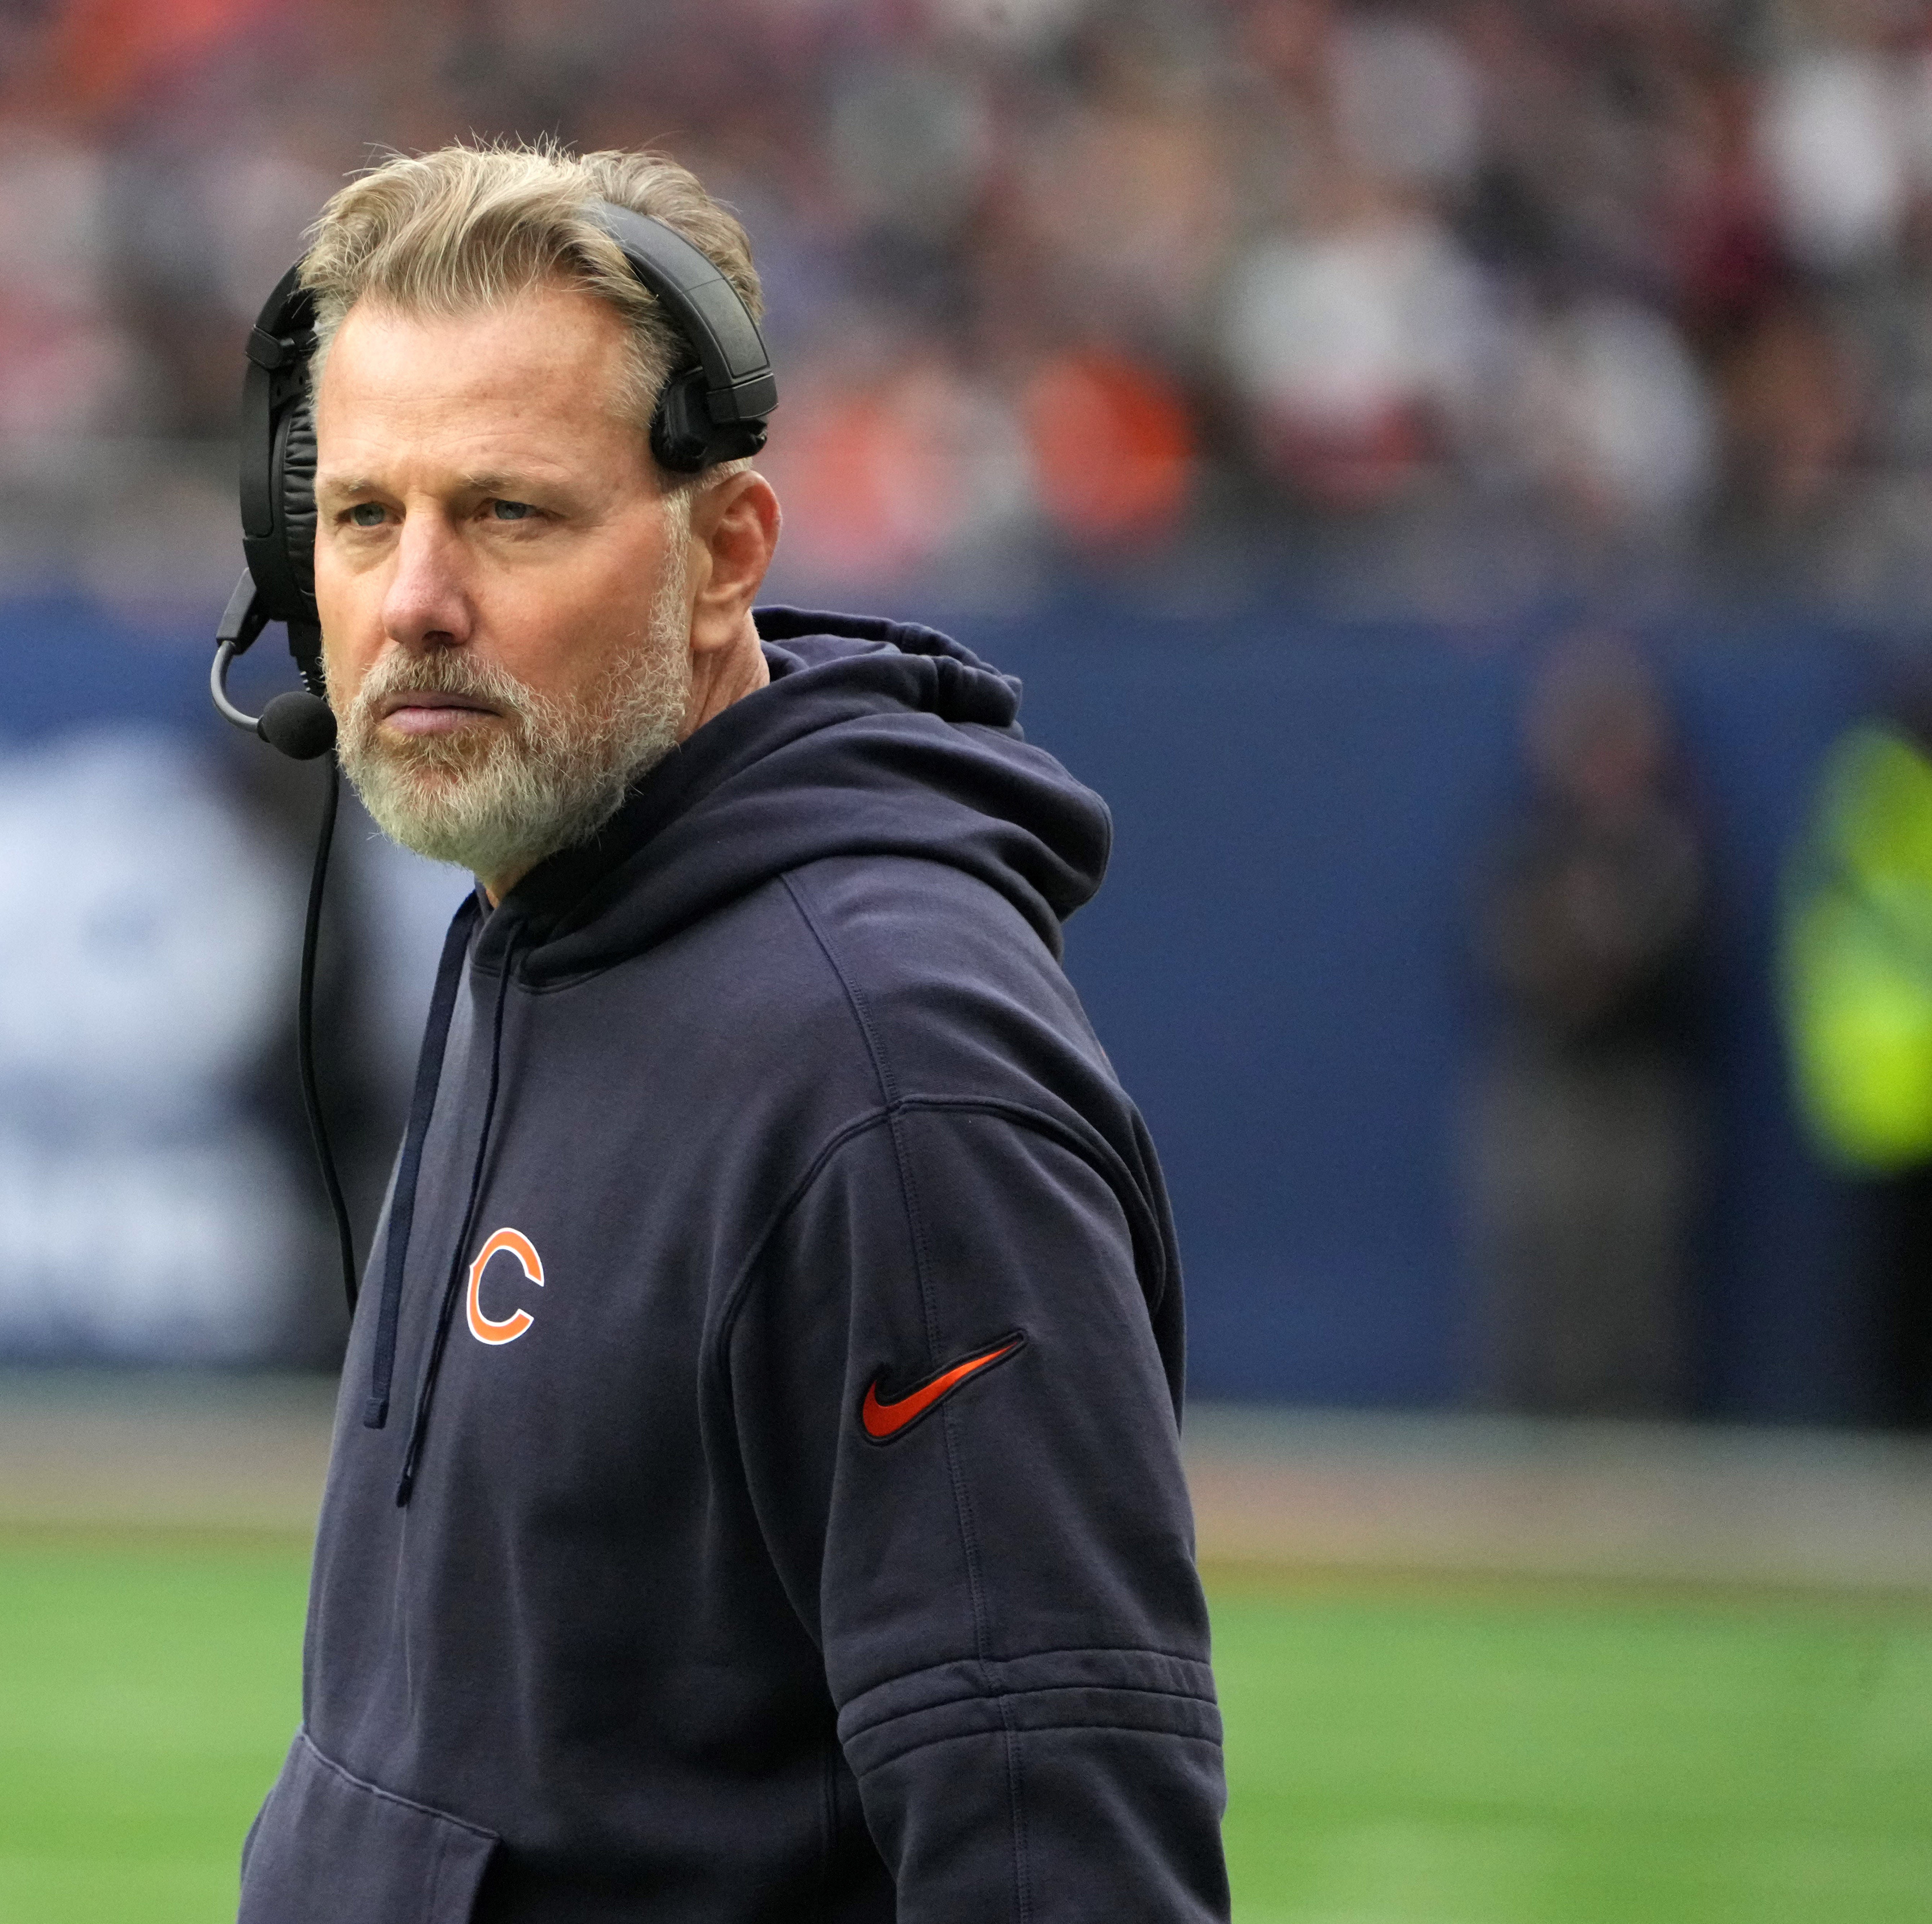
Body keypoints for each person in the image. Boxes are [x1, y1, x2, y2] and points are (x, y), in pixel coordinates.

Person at [236, 142, 1226, 1923]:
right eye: (364, 515)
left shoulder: (888, 1072)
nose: (411, 604)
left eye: (508, 513)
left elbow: (1061, 1861)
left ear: (724, 554)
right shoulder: (544, 911)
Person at [1466, 632, 1709, 1417]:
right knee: (1538, 1269)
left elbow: (1673, 954)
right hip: (1548, 1079)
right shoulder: (1530, 837)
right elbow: (1502, 949)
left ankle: (1627, 1441)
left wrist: (1600, 960)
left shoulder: (1668, 838)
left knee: (1630, 1281)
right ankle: (1528, 1435)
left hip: (1633, 1083)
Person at [1781, 667, 1932, 1432]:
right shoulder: (1887, 810)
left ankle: (1924, 1424)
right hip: (1899, 1082)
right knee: (1898, 1282)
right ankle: (1893, 1427)